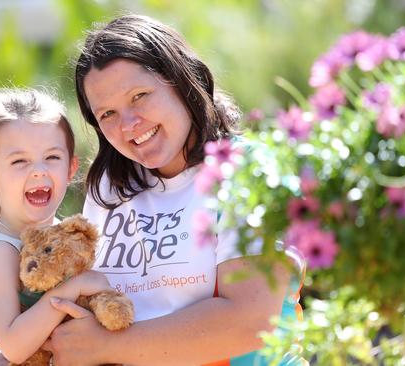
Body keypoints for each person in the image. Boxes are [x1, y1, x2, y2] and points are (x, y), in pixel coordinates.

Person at [40, 14, 307, 366]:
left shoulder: (247, 171)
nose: (129, 125)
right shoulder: (108, 187)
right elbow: (81, 309)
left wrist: (108, 347)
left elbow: (251, 321)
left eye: (140, 96)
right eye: (107, 114)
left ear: (182, 81)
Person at [0, 89, 113, 365]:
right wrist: (74, 288)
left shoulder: (66, 235)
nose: (39, 170)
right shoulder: (0, 251)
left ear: (71, 168)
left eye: (52, 157)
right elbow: (13, 346)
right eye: (19, 161)